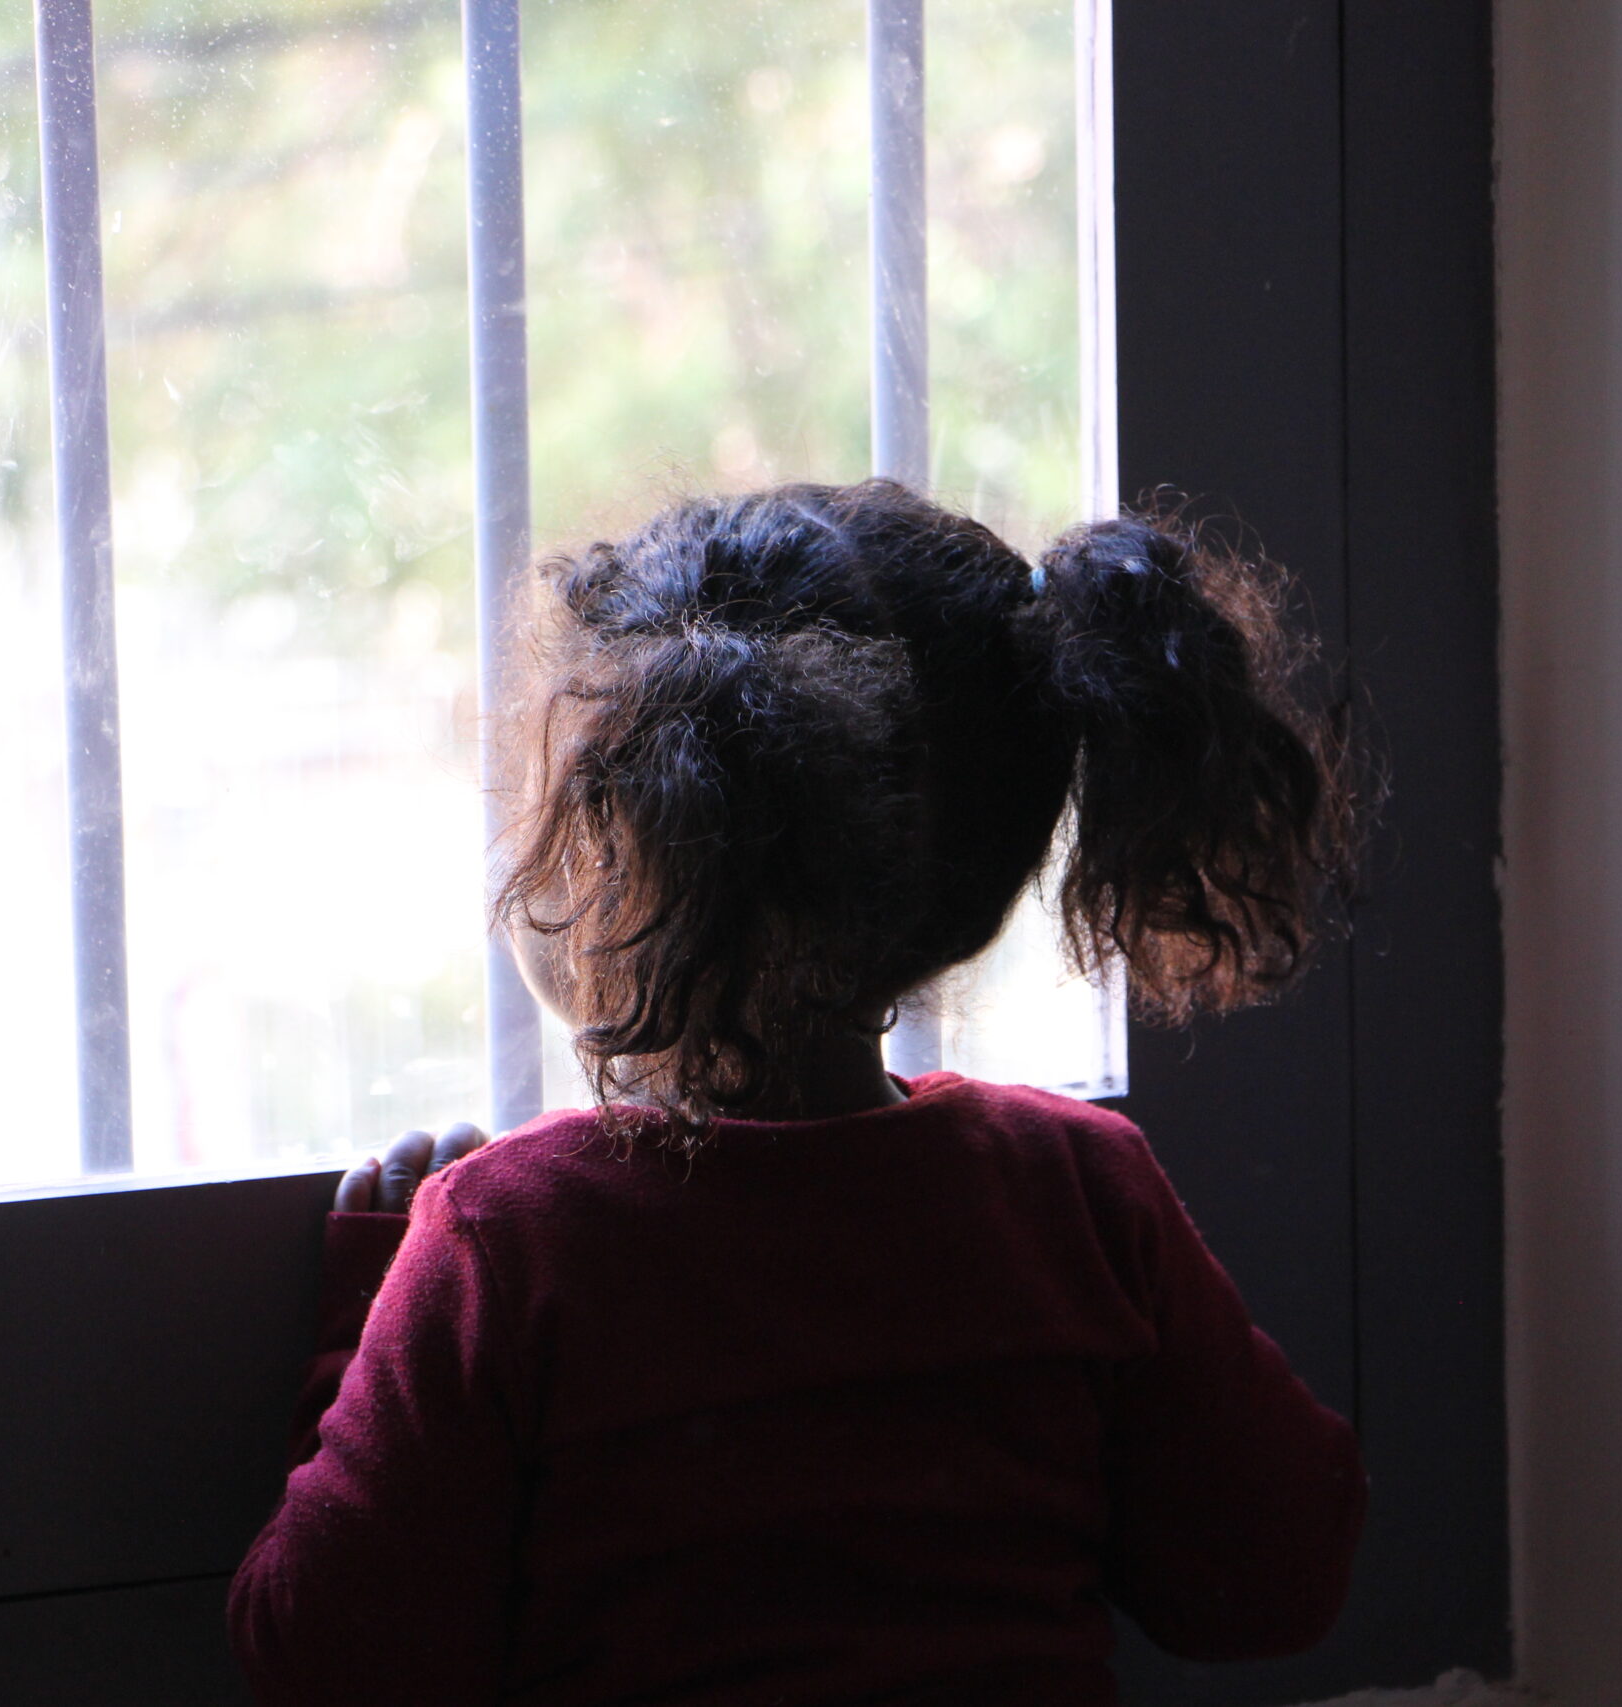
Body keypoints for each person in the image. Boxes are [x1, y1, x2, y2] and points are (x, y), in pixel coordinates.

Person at [229, 479, 1368, 1705]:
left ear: (627, 841)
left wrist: (360, 1325)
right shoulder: (1073, 1191)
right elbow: (1271, 1583)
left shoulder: (510, 1239)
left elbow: (330, 1662)